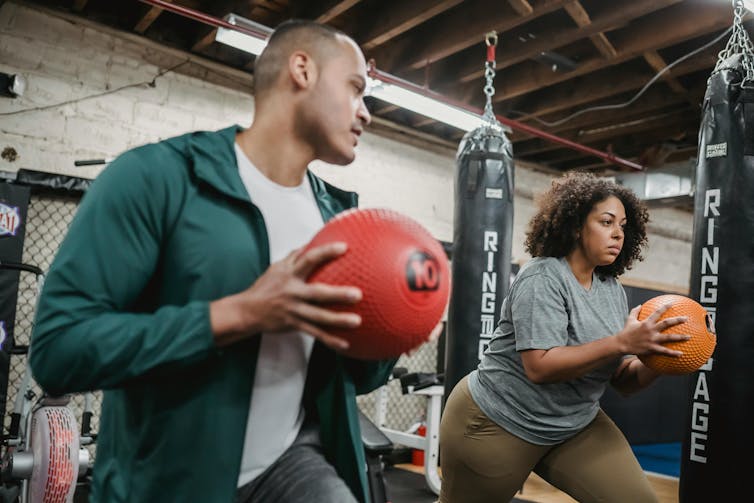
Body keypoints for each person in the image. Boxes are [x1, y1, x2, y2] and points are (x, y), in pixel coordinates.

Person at [30, 20, 396, 503]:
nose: (366, 114)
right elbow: (58, 352)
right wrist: (235, 315)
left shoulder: (340, 222)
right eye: (355, 89)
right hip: (169, 480)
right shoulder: (155, 178)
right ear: (302, 70)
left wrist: (392, 327)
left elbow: (357, 378)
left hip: (289, 466)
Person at [438, 172, 690, 503]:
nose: (617, 233)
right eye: (606, 222)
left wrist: (662, 355)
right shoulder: (542, 277)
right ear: (574, 226)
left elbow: (623, 380)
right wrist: (623, 343)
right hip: (498, 421)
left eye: (623, 225)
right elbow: (540, 367)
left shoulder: (611, 290)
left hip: (574, 427)